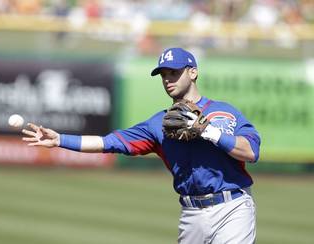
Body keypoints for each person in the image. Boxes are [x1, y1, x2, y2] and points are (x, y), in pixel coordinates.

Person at [22, 47, 261, 244]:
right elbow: (110, 142)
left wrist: (207, 131)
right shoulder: (158, 124)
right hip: (191, 214)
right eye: (164, 74)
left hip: (233, 207)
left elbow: (250, 152)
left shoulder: (223, 112)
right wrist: (61, 140)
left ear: (193, 73)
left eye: (174, 72)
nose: (168, 79)